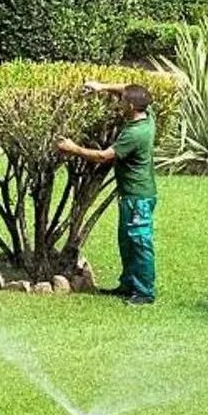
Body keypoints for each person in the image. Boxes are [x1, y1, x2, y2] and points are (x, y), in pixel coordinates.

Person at [56, 83, 158, 306]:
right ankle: (128, 285)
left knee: (139, 243)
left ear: (131, 106)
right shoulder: (148, 116)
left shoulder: (135, 133)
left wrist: (73, 148)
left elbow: (103, 156)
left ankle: (144, 292)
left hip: (138, 197)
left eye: (122, 101)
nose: (119, 103)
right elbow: (129, 88)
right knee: (127, 242)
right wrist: (101, 87)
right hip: (132, 196)